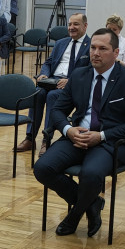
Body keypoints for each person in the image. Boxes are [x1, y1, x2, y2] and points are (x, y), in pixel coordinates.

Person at [33, 28, 125, 238]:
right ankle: (92, 203)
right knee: (42, 168)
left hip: (109, 141)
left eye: (102, 48)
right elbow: (58, 110)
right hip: (77, 136)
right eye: (93, 47)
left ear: (115, 53)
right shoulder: (79, 75)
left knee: (91, 174)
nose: (95, 53)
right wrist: (69, 130)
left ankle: (74, 216)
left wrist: (102, 136)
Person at [16, 13, 91, 153]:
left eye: (76, 24)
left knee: (52, 96)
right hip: (52, 80)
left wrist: (70, 81)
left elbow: (90, 71)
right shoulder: (61, 43)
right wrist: (44, 73)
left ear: (85, 26)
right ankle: (30, 138)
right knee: (37, 94)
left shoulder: (91, 45)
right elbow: (49, 62)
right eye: (70, 24)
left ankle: (46, 138)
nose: (71, 27)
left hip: (72, 85)